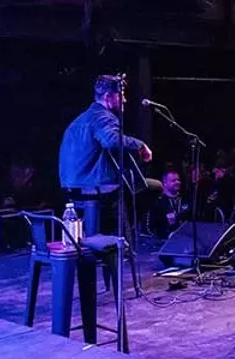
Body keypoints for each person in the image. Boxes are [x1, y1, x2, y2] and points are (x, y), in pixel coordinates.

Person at [58, 75, 153, 234]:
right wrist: (140, 145)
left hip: (73, 183)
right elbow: (111, 140)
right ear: (108, 97)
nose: (125, 100)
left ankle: (121, 235)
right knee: (152, 188)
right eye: (121, 95)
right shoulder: (103, 116)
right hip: (92, 183)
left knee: (134, 186)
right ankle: (128, 236)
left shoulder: (83, 117)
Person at [148, 170, 190, 239]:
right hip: (164, 243)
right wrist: (167, 235)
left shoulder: (185, 199)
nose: (177, 182)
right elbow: (151, 228)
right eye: (173, 180)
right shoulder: (157, 203)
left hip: (184, 240)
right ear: (165, 183)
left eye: (178, 180)